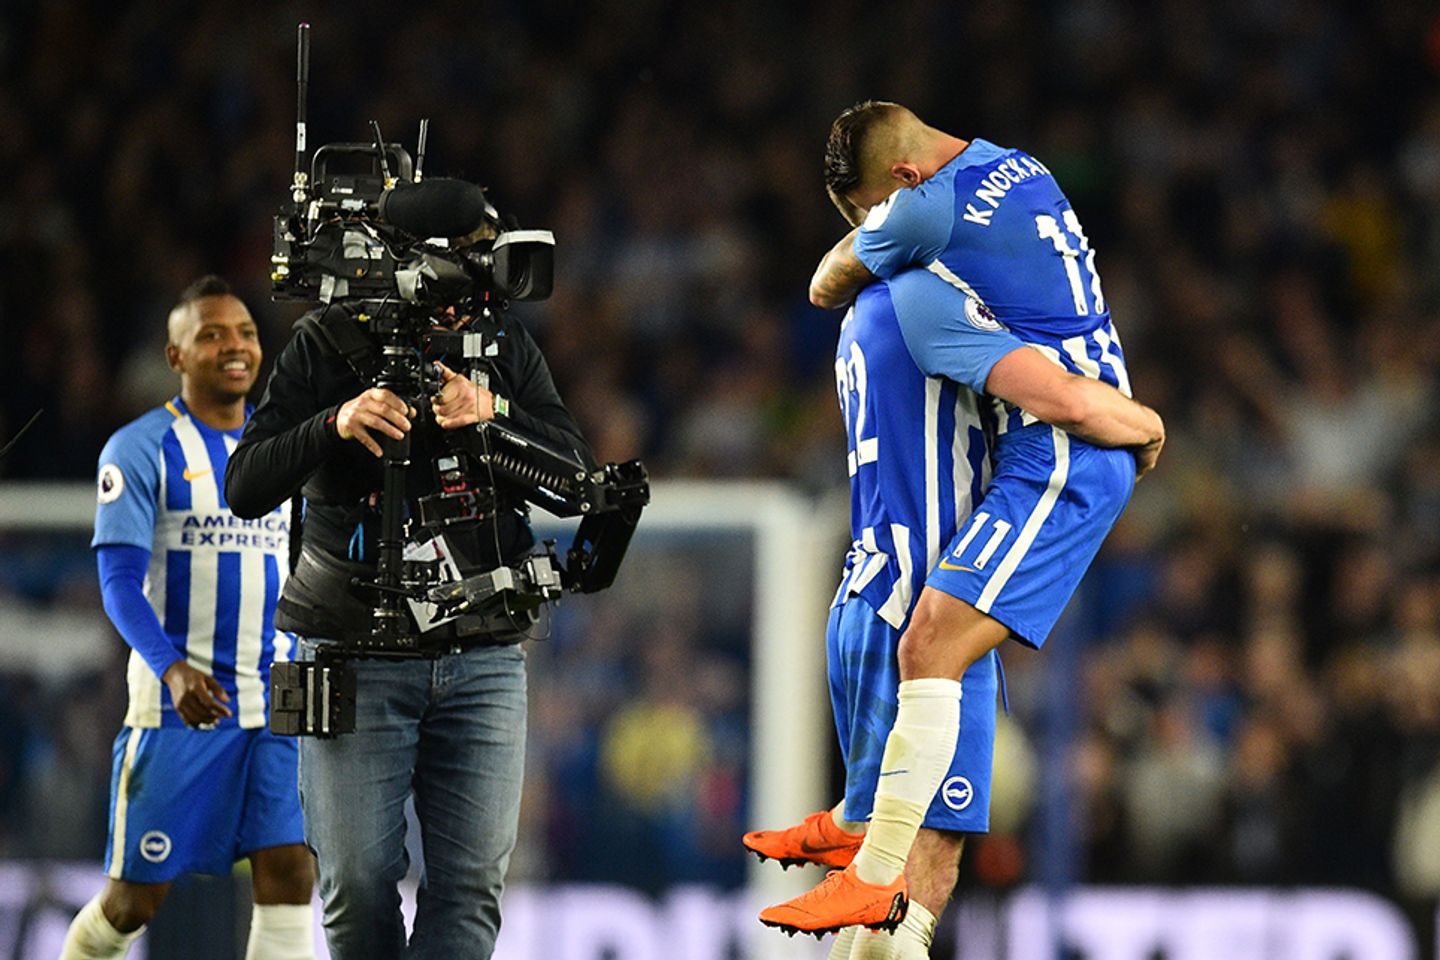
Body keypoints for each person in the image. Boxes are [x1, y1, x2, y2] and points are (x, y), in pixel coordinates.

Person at [750, 101, 1164, 958]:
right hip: (945, 557)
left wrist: (869, 237)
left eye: (876, 217)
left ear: (898, 192)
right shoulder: (993, 215)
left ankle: (864, 851)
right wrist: (1145, 422)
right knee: (918, 869)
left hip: (871, 583)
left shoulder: (876, 306)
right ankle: (870, 861)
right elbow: (1058, 392)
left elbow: (826, 281)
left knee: (904, 877)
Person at [224, 230, 592, 957]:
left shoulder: (503, 348)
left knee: (471, 887)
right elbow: (246, 485)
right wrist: (336, 422)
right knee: (358, 882)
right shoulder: (326, 344)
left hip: (483, 655)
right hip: (355, 653)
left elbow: (576, 477)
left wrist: (494, 413)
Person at [61, 276, 316, 960]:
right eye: (211, 335)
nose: (234, 347)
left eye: (246, 334)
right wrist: (171, 670)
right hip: (184, 704)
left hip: (279, 699)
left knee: (292, 869)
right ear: (176, 356)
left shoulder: (288, 447)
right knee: (133, 902)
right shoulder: (140, 448)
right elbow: (117, 582)